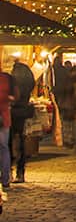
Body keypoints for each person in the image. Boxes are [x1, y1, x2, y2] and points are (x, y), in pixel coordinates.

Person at [10, 58, 34, 184]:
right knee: (21, 140)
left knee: (9, 142)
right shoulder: (28, 77)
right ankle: (20, 171)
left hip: (13, 112)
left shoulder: (14, 79)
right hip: (23, 111)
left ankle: (9, 170)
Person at [0, 63, 15, 197]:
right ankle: (5, 179)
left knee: (4, 148)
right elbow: (14, 95)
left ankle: (5, 178)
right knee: (4, 148)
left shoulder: (7, 78)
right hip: (4, 117)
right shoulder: (7, 78)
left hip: (4, 117)